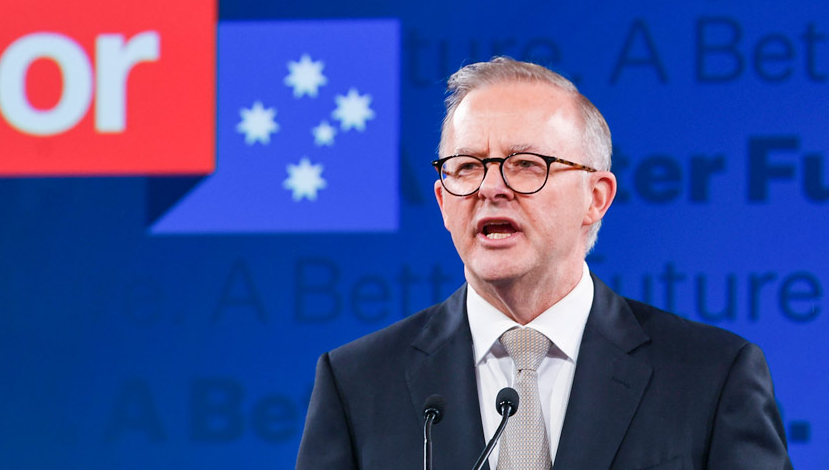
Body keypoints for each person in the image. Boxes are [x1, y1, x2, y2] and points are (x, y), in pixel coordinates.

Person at [295, 57, 791, 469]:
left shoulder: (711, 375)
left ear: (596, 198)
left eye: (526, 164)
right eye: (467, 167)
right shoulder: (357, 383)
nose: (491, 188)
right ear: (444, 203)